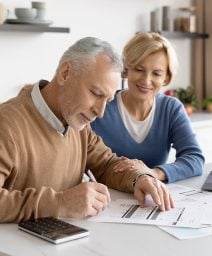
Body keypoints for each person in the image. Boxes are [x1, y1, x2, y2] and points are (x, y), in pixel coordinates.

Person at [0, 37, 174, 223]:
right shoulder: (7, 124)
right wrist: (60, 203)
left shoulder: (76, 122)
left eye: (107, 100)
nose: (100, 112)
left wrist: (138, 178)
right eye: (96, 94)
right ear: (66, 73)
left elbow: (107, 165)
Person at [91, 32, 205, 183]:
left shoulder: (171, 109)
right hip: (108, 198)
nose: (146, 80)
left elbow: (195, 159)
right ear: (127, 68)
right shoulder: (101, 106)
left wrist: (153, 173)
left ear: (166, 77)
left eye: (156, 73)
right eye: (139, 69)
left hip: (153, 197)